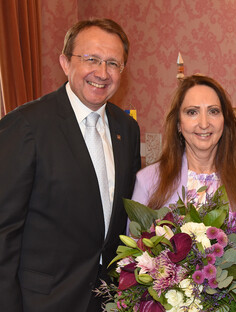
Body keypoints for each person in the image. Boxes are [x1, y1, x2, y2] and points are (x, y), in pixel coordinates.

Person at [0, 18, 141, 312]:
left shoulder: (126, 128)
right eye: (92, 59)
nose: (102, 73)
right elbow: (4, 233)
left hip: (106, 300)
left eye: (113, 63)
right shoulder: (25, 126)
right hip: (42, 301)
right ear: (65, 62)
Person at [132, 74, 236, 212]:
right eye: (192, 112)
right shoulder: (148, 181)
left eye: (213, 111)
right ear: (178, 124)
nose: (204, 124)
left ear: (225, 121)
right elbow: (135, 233)